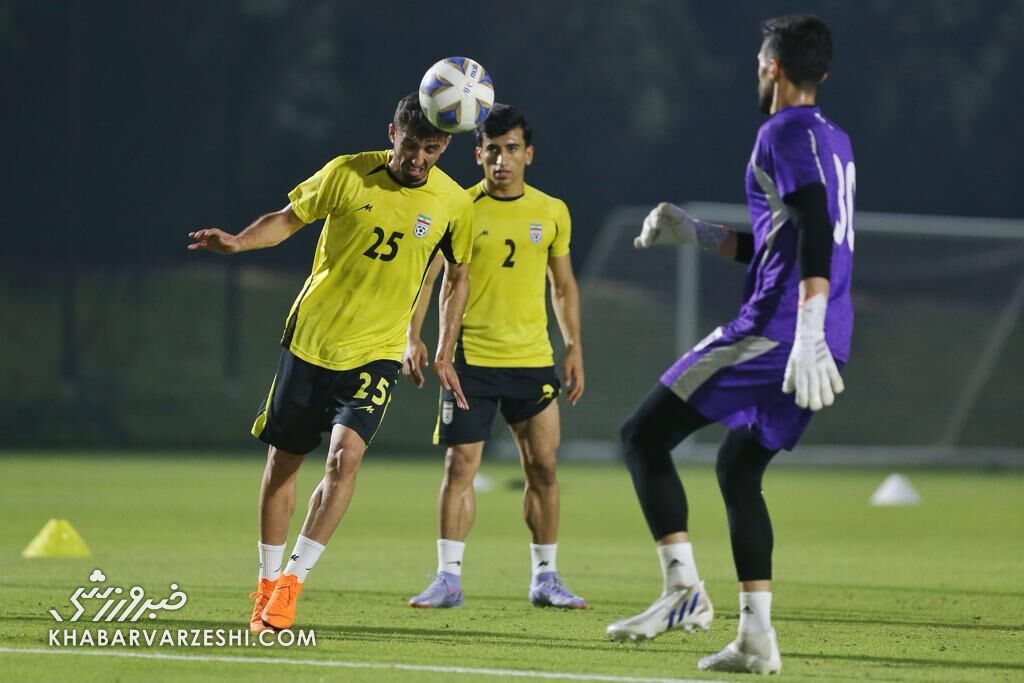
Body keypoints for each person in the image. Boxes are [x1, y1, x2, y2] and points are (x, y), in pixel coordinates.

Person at [606, 15, 854, 675]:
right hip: (824, 331)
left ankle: (684, 591)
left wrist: (803, 321)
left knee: (641, 436)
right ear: (820, 72)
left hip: (778, 328)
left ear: (772, 67)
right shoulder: (836, 139)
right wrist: (699, 232)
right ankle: (756, 637)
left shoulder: (781, 130)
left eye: (757, 62)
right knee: (739, 468)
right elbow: (784, 238)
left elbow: (814, 223)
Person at [187, 93, 474, 632]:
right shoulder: (349, 173)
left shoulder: (455, 204)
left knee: (345, 459)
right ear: (393, 132)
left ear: (445, 146)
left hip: (378, 351)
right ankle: (267, 582)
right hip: (312, 341)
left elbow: (458, 276)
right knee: (283, 466)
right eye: (410, 146)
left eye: (430, 150)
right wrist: (238, 243)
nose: (418, 160)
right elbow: (287, 218)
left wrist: (441, 348)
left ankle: (291, 588)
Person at [402, 104, 587, 609]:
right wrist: (411, 335)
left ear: (528, 154)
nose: (500, 159)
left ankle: (546, 578)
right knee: (460, 466)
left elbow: (564, 286)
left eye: (510, 149)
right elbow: (430, 277)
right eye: (491, 149)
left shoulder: (552, 211)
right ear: (477, 153)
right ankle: (448, 578)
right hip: (470, 362)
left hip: (532, 360)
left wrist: (574, 349)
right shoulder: (458, 206)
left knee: (544, 469)